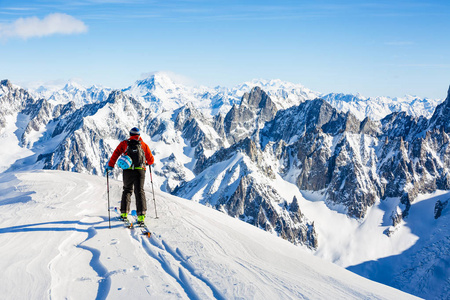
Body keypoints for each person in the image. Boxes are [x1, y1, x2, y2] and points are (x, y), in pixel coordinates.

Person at [105, 127, 154, 225]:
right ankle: (141, 217)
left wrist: (110, 166)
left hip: (128, 171)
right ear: (139, 135)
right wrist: (145, 163)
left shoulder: (124, 144)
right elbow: (151, 160)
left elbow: (115, 154)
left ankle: (124, 214)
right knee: (139, 191)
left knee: (127, 190)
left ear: (130, 134)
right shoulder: (143, 145)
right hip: (140, 171)